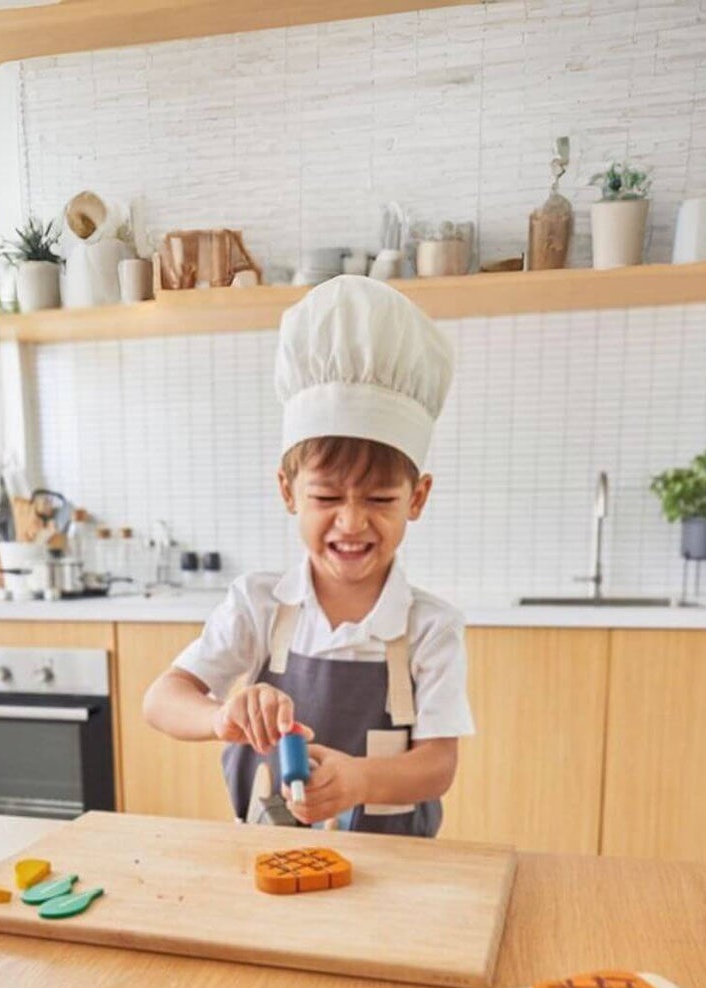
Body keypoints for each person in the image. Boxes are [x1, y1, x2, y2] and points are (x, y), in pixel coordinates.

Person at [142, 275, 473, 835]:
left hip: (394, 873)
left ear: (416, 499)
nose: (350, 521)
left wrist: (360, 781)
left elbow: (438, 765)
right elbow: (161, 700)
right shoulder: (258, 605)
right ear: (287, 491)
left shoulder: (431, 628)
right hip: (271, 866)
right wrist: (222, 715)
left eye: (379, 499)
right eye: (325, 497)